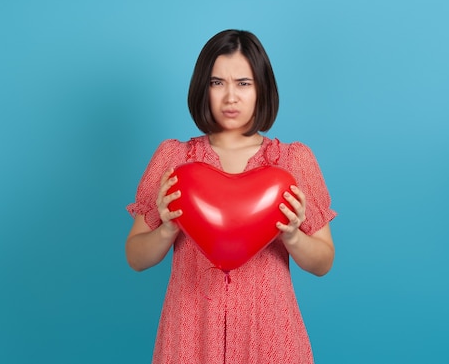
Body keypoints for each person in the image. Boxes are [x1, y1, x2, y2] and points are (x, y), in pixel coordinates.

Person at [125, 29, 336, 364]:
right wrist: (166, 228)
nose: (230, 97)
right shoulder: (174, 160)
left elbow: (323, 262)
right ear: (202, 88)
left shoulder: (293, 161)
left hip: (270, 336)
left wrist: (294, 236)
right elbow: (136, 257)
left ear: (262, 88)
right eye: (216, 83)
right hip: (191, 334)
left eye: (243, 83)